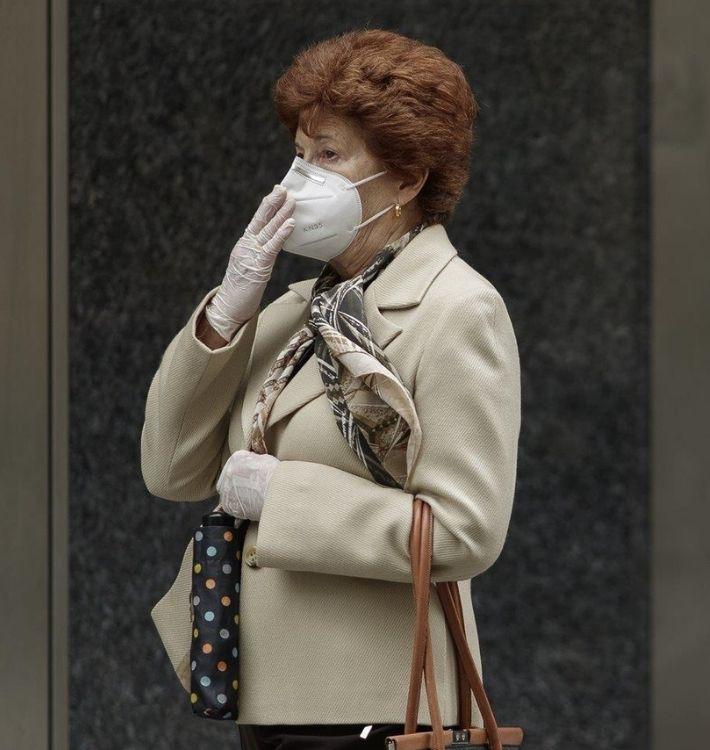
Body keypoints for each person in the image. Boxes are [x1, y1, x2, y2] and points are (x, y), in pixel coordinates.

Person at [140, 29, 522, 749]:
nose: (298, 178)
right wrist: (226, 314)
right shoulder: (289, 312)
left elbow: (467, 528)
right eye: (298, 151)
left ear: (408, 180)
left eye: (328, 155)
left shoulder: (456, 309)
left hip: (376, 704)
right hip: (264, 696)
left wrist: (281, 498)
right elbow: (170, 471)